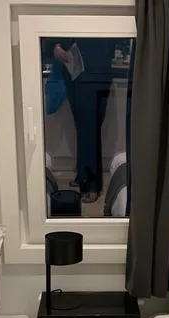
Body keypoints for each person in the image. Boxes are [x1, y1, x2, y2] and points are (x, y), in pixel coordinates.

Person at [42, 38, 116, 203]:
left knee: (89, 129)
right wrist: (58, 46)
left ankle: (92, 185)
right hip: (79, 71)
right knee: (84, 127)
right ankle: (83, 175)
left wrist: (59, 46)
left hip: (90, 71)